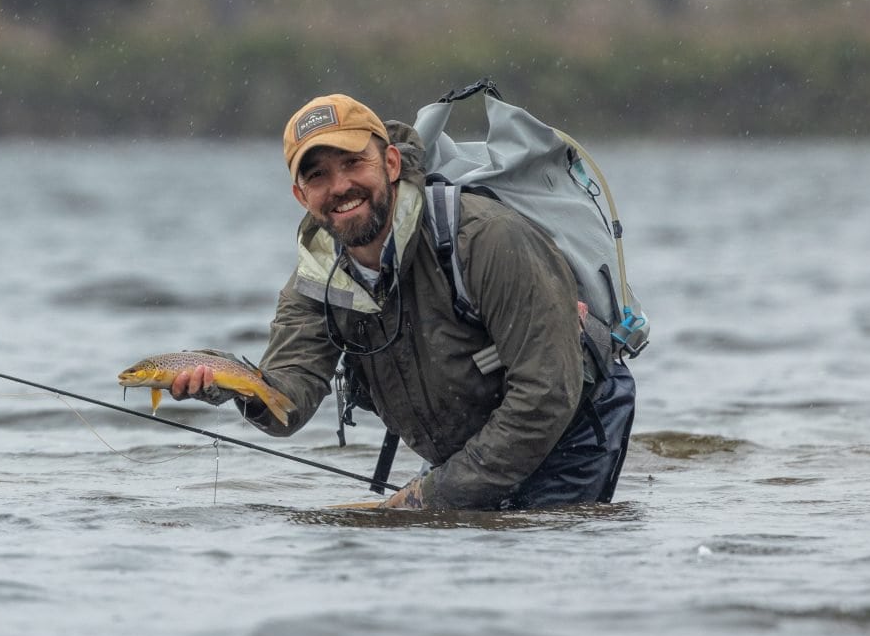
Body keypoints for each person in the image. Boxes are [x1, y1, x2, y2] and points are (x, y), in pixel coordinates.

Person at [169, 92, 636, 510]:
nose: (339, 187)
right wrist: (230, 382)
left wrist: (430, 497)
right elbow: (287, 403)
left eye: (354, 164)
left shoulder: (487, 239)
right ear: (300, 195)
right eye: (318, 176)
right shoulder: (315, 282)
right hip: (470, 446)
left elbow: (546, 395)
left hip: (572, 428)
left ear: (391, 163)